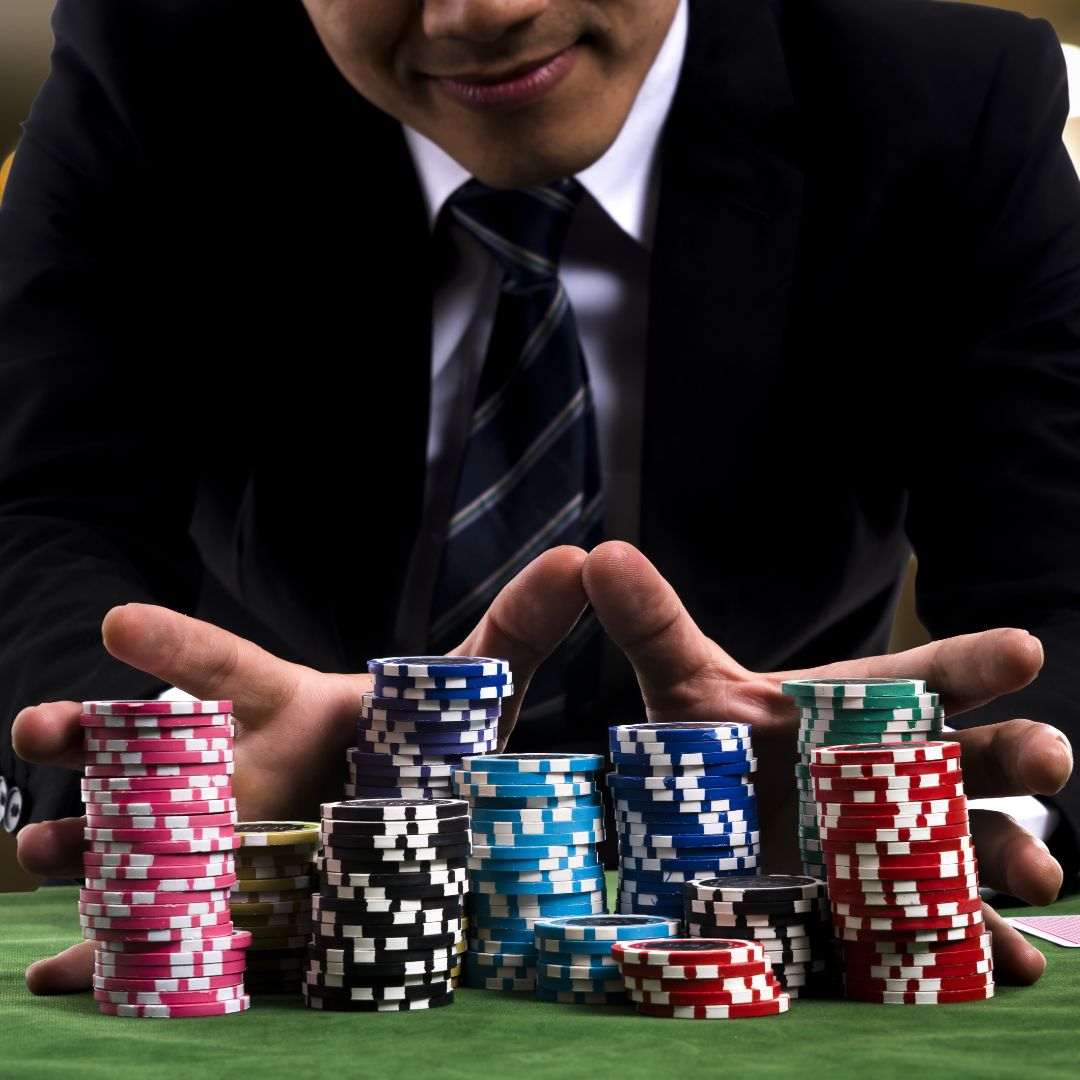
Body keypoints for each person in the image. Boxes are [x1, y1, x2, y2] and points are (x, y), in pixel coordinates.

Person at [1, 0, 1078, 993]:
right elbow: (38, 509)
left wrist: (903, 819)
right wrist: (177, 776)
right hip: (295, 879)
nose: (481, 13)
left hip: (778, 891)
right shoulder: (149, 68)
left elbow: (1061, 586)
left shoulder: (951, 96)